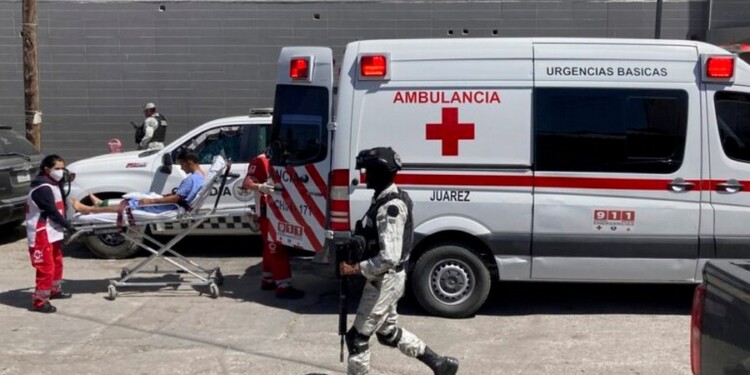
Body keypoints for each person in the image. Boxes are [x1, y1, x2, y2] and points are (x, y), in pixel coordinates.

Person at [339, 147, 459, 375]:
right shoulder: (383, 199)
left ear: (379, 173)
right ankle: (439, 364)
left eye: (368, 171)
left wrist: (354, 268)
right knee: (387, 333)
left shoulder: (390, 207)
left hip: (384, 280)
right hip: (384, 279)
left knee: (357, 337)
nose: (365, 176)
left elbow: (389, 257)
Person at [241, 150, 305, 299]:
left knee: (270, 247)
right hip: (268, 211)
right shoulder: (261, 160)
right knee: (276, 247)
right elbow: (247, 183)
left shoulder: (281, 157)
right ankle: (283, 286)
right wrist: (260, 187)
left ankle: (268, 278)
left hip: (278, 209)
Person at [72, 150, 204, 214]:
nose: (181, 167)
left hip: (168, 207)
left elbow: (176, 198)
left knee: (128, 206)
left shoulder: (191, 179)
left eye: (182, 164)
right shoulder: (200, 176)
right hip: (172, 205)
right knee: (135, 198)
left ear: (189, 162)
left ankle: (89, 209)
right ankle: (100, 204)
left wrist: (151, 201)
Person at [26, 154, 76, 313]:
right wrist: (68, 225)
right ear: (47, 169)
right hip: (41, 232)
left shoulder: (53, 185)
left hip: (53, 230)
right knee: (46, 267)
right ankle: (40, 302)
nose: (61, 172)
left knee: (57, 261)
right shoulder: (43, 189)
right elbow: (51, 211)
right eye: (57, 169)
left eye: (63, 168)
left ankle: (54, 290)